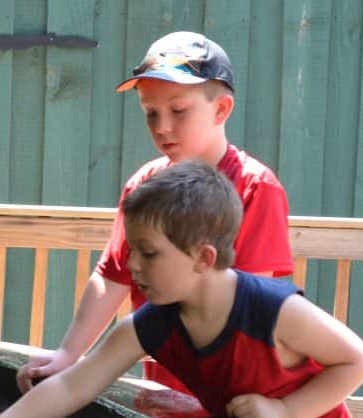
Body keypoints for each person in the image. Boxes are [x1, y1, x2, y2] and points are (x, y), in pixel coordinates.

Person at [0, 161, 363, 418]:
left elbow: (357, 361)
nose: (132, 264)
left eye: (149, 253)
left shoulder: (272, 311)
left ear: (204, 257)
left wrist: (285, 412)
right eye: (132, 250)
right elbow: (72, 387)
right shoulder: (153, 325)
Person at [17, 31, 293, 395]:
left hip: (238, 390)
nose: (162, 127)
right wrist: (69, 353)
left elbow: (251, 301)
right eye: (151, 113)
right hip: (164, 388)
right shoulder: (144, 185)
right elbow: (113, 275)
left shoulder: (256, 187)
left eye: (178, 111)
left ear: (221, 109)